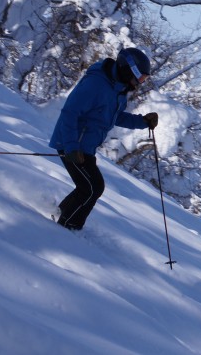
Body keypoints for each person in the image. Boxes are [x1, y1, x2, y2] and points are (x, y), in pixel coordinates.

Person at [49, 48, 159, 230]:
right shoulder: (96, 84)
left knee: (89, 187)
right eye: (140, 78)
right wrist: (70, 147)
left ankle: (60, 218)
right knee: (92, 187)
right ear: (128, 69)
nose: (139, 84)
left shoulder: (118, 90)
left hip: (85, 147)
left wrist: (143, 122)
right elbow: (70, 113)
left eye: (143, 80)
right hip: (72, 144)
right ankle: (66, 228)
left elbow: (115, 116)